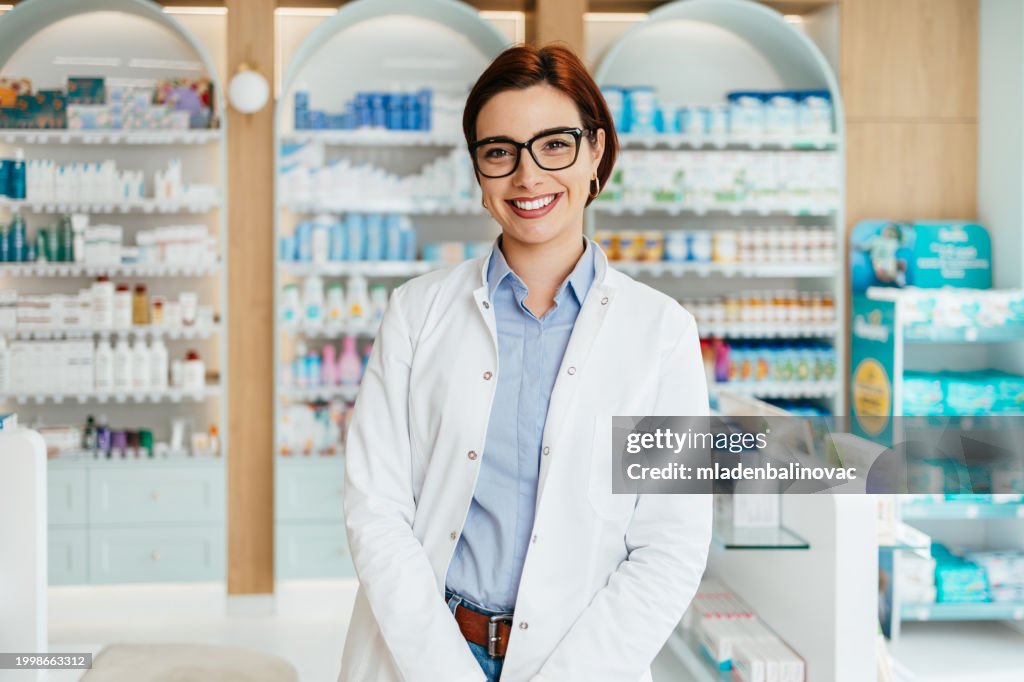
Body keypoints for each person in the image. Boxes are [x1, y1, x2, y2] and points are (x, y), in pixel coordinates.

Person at [339, 44, 712, 682]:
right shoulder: (417, 312)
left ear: (596, 151)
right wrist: (442, 669)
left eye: (555, 144)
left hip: (583, 659)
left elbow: (669, 544)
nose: (528, 175)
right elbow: (375, 509)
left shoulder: (660, 333)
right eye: (499, 151)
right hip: (423, 649)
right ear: (479, 174)